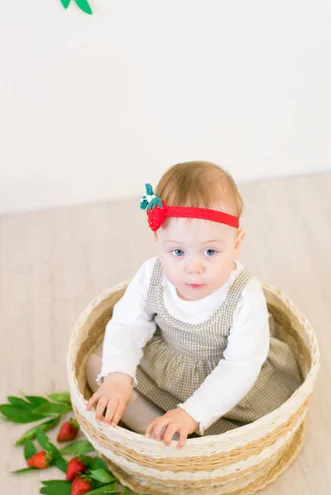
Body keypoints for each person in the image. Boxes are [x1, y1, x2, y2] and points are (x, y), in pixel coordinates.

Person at [85, 161, 302, 448]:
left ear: (237, 243)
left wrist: (191, 413)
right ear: (158, 241)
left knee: (258, 423)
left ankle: (196, 432)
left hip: (227, 380)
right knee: (97, 366)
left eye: (210, 251)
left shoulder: (244, 294)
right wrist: (118, 378)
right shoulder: (152, 275)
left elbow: (241, 366)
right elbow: (127, 324)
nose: (193, 267)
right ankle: (154, 427)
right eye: (177, 251)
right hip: (167, 365)